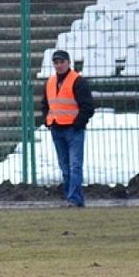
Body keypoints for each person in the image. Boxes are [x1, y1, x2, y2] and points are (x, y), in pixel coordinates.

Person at [41, 49, 94, 208]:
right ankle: (72, 197)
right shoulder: (50, 82)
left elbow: (88, 107)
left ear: (68, 63)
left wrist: (78, 123)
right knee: (65, 167)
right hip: (57, 128)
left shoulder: (78, 81)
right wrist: (47, 120)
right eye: (56, 63)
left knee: (74, 166)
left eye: (61, 62)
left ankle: (74, 198)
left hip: (73, 129)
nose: (59, 65)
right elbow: (45, 104)